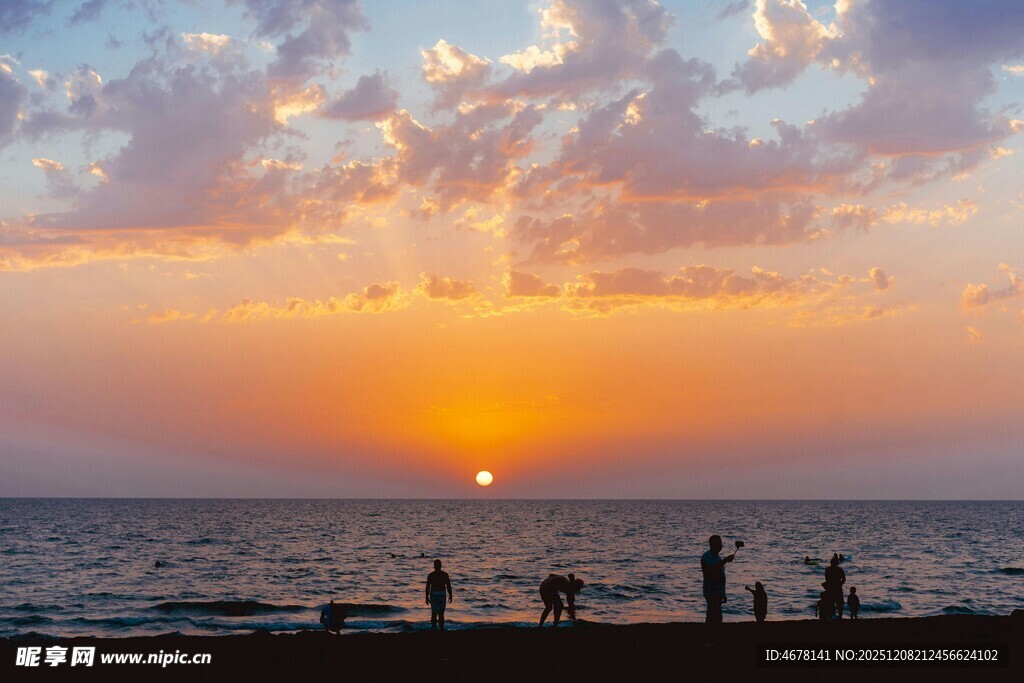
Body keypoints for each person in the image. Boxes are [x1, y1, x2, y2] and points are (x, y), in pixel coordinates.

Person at [701, 535, 735, 625]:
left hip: (717, 591)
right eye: (718, 543)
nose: (720, 545)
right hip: (711, 590)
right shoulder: (707, 556)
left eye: (720, 543)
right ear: (712, 544)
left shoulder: (717, 557)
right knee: (715, 615)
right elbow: (712, 568)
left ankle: (710, 631)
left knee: (713, 614)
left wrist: (723, 593)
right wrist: (726, 560)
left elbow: (720, 575)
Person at [425, 559, 453, 631]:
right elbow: (448, 586)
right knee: (441, 614)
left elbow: (428, 587)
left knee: (434, 613)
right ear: (441, 566)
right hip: (441, 595)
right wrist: (450, 595)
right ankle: (441, 629)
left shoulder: (431, 575)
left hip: (434, 594)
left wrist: (426, 597)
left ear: (434, 566)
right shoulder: (444, 575)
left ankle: (433, 629)